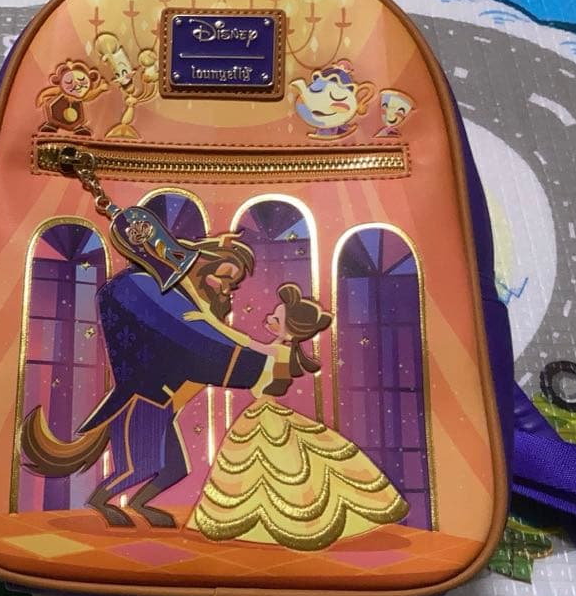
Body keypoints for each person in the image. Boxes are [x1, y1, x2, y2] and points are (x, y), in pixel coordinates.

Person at [20, 235, 293, 528]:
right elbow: (198, 339)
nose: (226, 289)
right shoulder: (146, 288)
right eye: (223, 277)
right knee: (138, 467)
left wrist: (265, 358)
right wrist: (261, 366)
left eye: (232, 284)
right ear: (198, 264)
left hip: (161, 403)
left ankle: (137, 505)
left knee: (174, 468)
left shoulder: (187, 304)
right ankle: (99, 501)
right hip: (141, 400)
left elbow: (211, 337)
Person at [187, 283, 409, 550]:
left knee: (273, 465)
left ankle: (294, 522)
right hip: (264, 410)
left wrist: (209, 320)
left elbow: (243, 341)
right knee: (270, 466)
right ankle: (266, 521)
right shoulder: (280, 349)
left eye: (276, 318)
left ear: (291, 330)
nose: (269, 319)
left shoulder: (279, 351)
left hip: (264, 412)